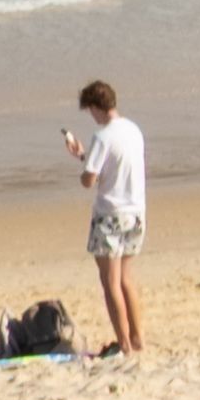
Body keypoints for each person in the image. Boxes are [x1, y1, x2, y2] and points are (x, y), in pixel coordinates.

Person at [65, 81, 147, 356]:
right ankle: (137, 339)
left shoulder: (103, 136)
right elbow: (111, 166)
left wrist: (83, 164)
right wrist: (83, 156)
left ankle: (124, 344)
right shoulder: (133, 129)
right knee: (126, 279)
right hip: (136, 212)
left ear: (95, 108)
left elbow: (90, 179)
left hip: (110, 214)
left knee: (110, 282)